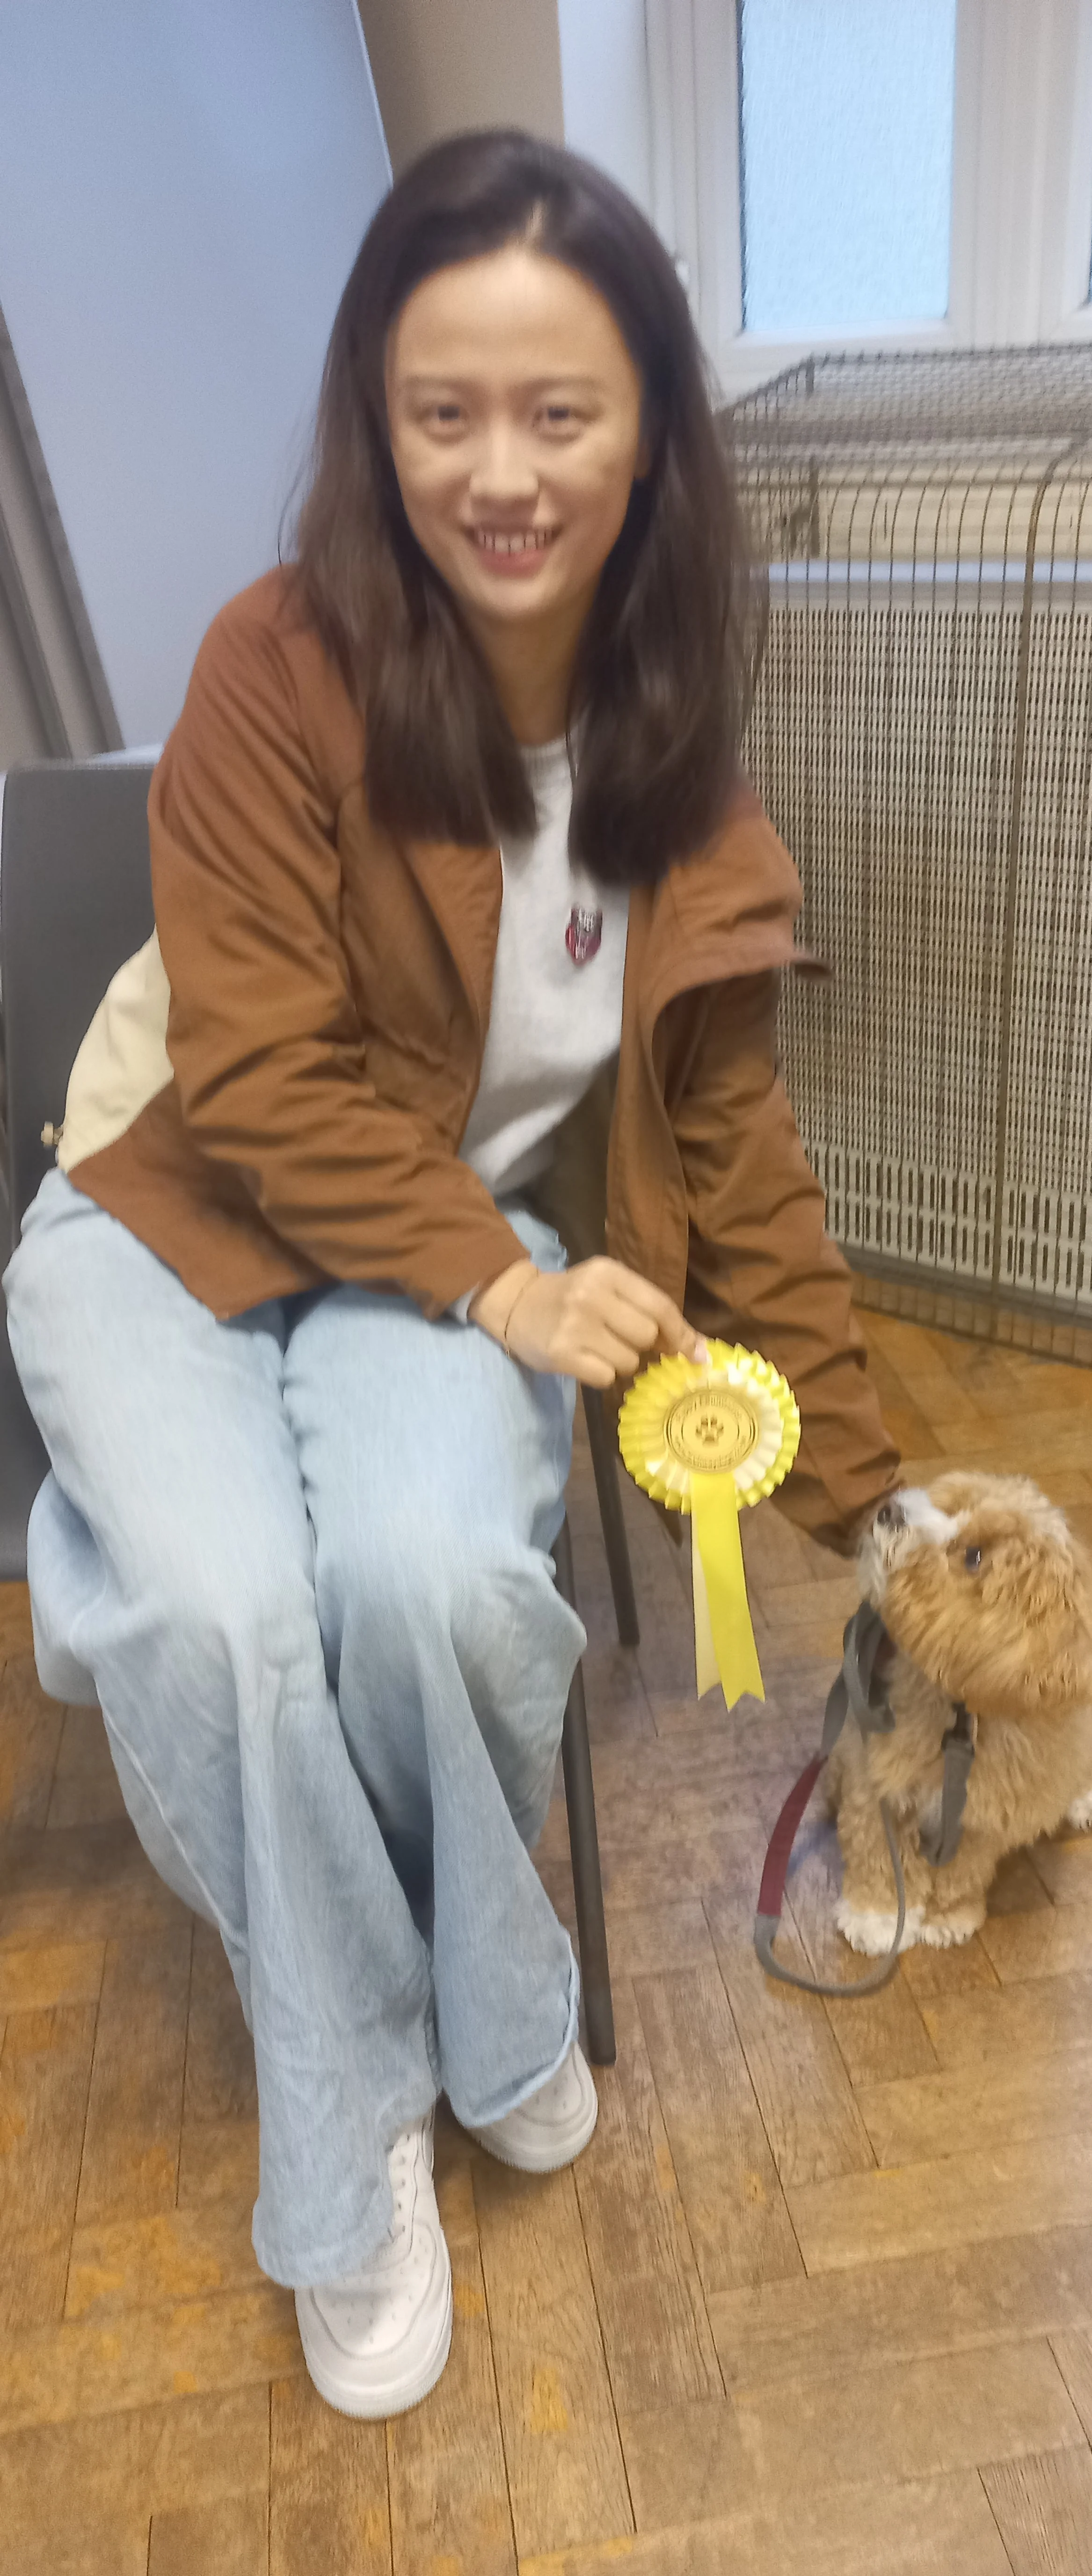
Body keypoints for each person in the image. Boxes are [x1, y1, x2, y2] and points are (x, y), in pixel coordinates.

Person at [3, 130, 897, 2420]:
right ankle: (358, 2134)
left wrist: (879, 1504)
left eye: (560, 413)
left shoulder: (680, 749)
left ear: (652, 434)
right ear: (374, 420)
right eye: (440, 413)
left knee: (424, 1580)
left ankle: (483, 2017)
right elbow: (268, 1077)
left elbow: (729, 1151)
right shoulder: (273, 663)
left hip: (433, 1263)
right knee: (223, 1616)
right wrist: (506, 1295)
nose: (498, 472)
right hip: (174, 1203)